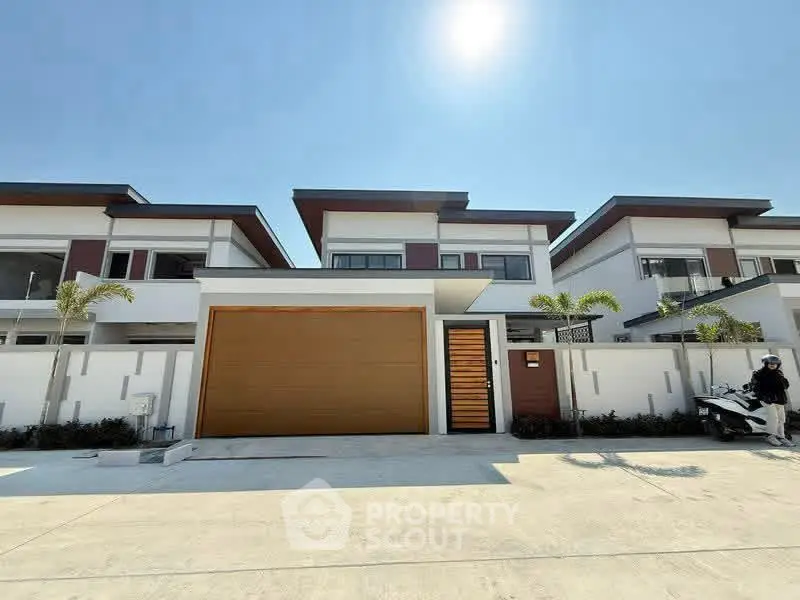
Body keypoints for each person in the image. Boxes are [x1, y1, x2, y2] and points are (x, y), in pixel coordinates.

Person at [751, 354, 795, 447]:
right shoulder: (758, 373)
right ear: (766, 363)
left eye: (775, 364)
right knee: (773, 418)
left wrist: (782, 379)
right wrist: (763, 397)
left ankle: (781, 437)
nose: (773, 365)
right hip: (767, 399)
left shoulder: (779, 373)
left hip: (779, 398)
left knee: (781, 419)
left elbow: (785, 386)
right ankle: (770, 436)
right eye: (770, 363)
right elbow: (755, 388)